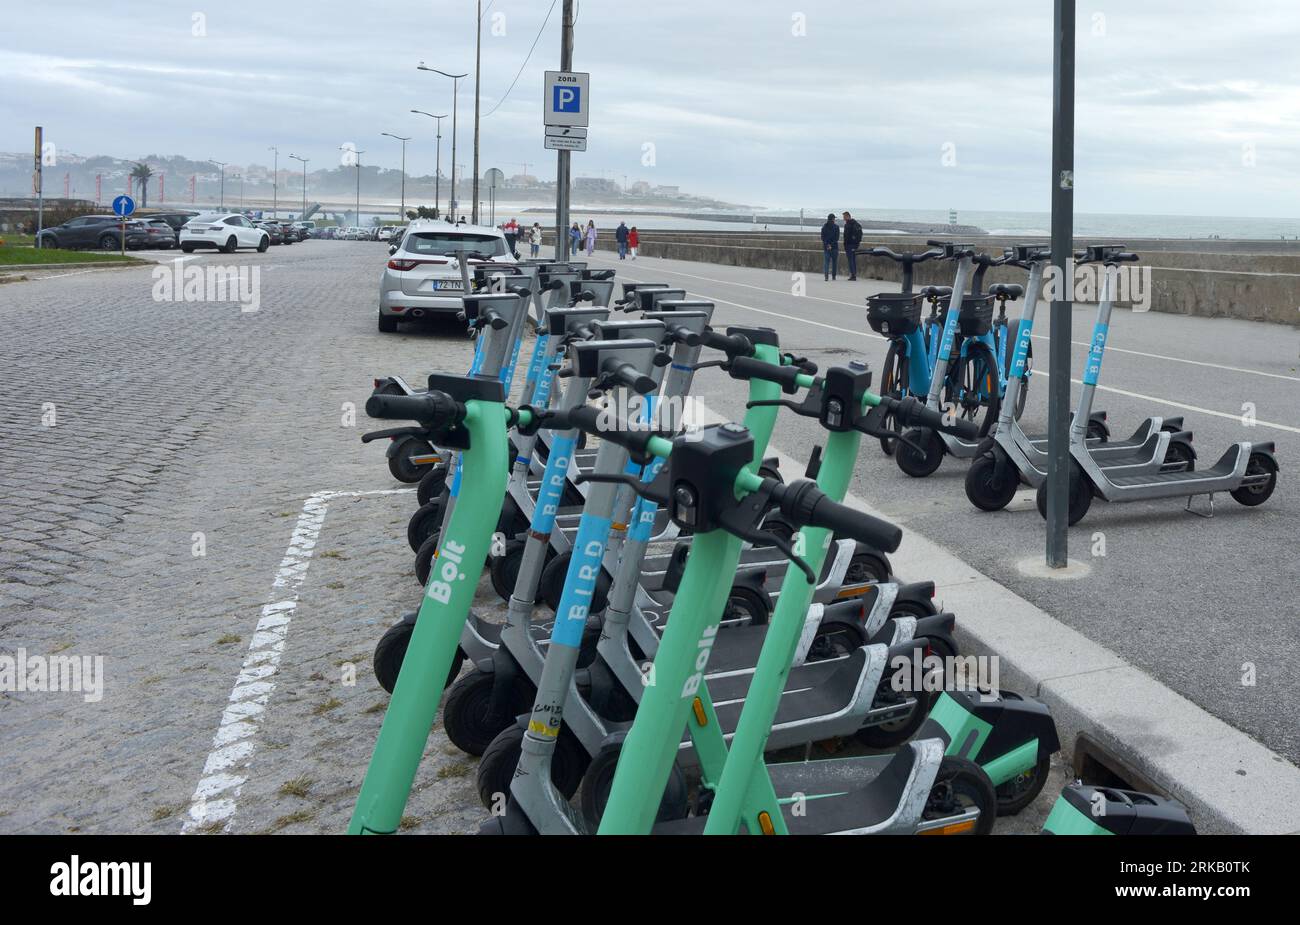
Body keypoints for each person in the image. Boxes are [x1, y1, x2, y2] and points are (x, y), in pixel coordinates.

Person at [842, 211, 863, 280]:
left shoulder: (849, 225)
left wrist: (846, 244)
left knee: (851, 260)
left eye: (844, 217)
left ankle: (853, 275)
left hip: (850, 245)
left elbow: (847, 236)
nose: (843, 218)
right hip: (854, 245)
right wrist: (856, 244)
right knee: (853, 260)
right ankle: (853, 274)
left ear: (848, 216)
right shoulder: (855, 223)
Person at [820, 212, 840, 281]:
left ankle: (826, 277)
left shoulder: (824, 227)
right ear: (833, 219)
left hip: (826, 247)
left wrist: (828, 245)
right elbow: (837, 238)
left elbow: (822, 238)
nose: (835, 220)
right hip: (834, 247)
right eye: (834, 218)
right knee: (834, 262)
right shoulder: (836, 227)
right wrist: (831, 245)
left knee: (826, 263)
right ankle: (833, 276)